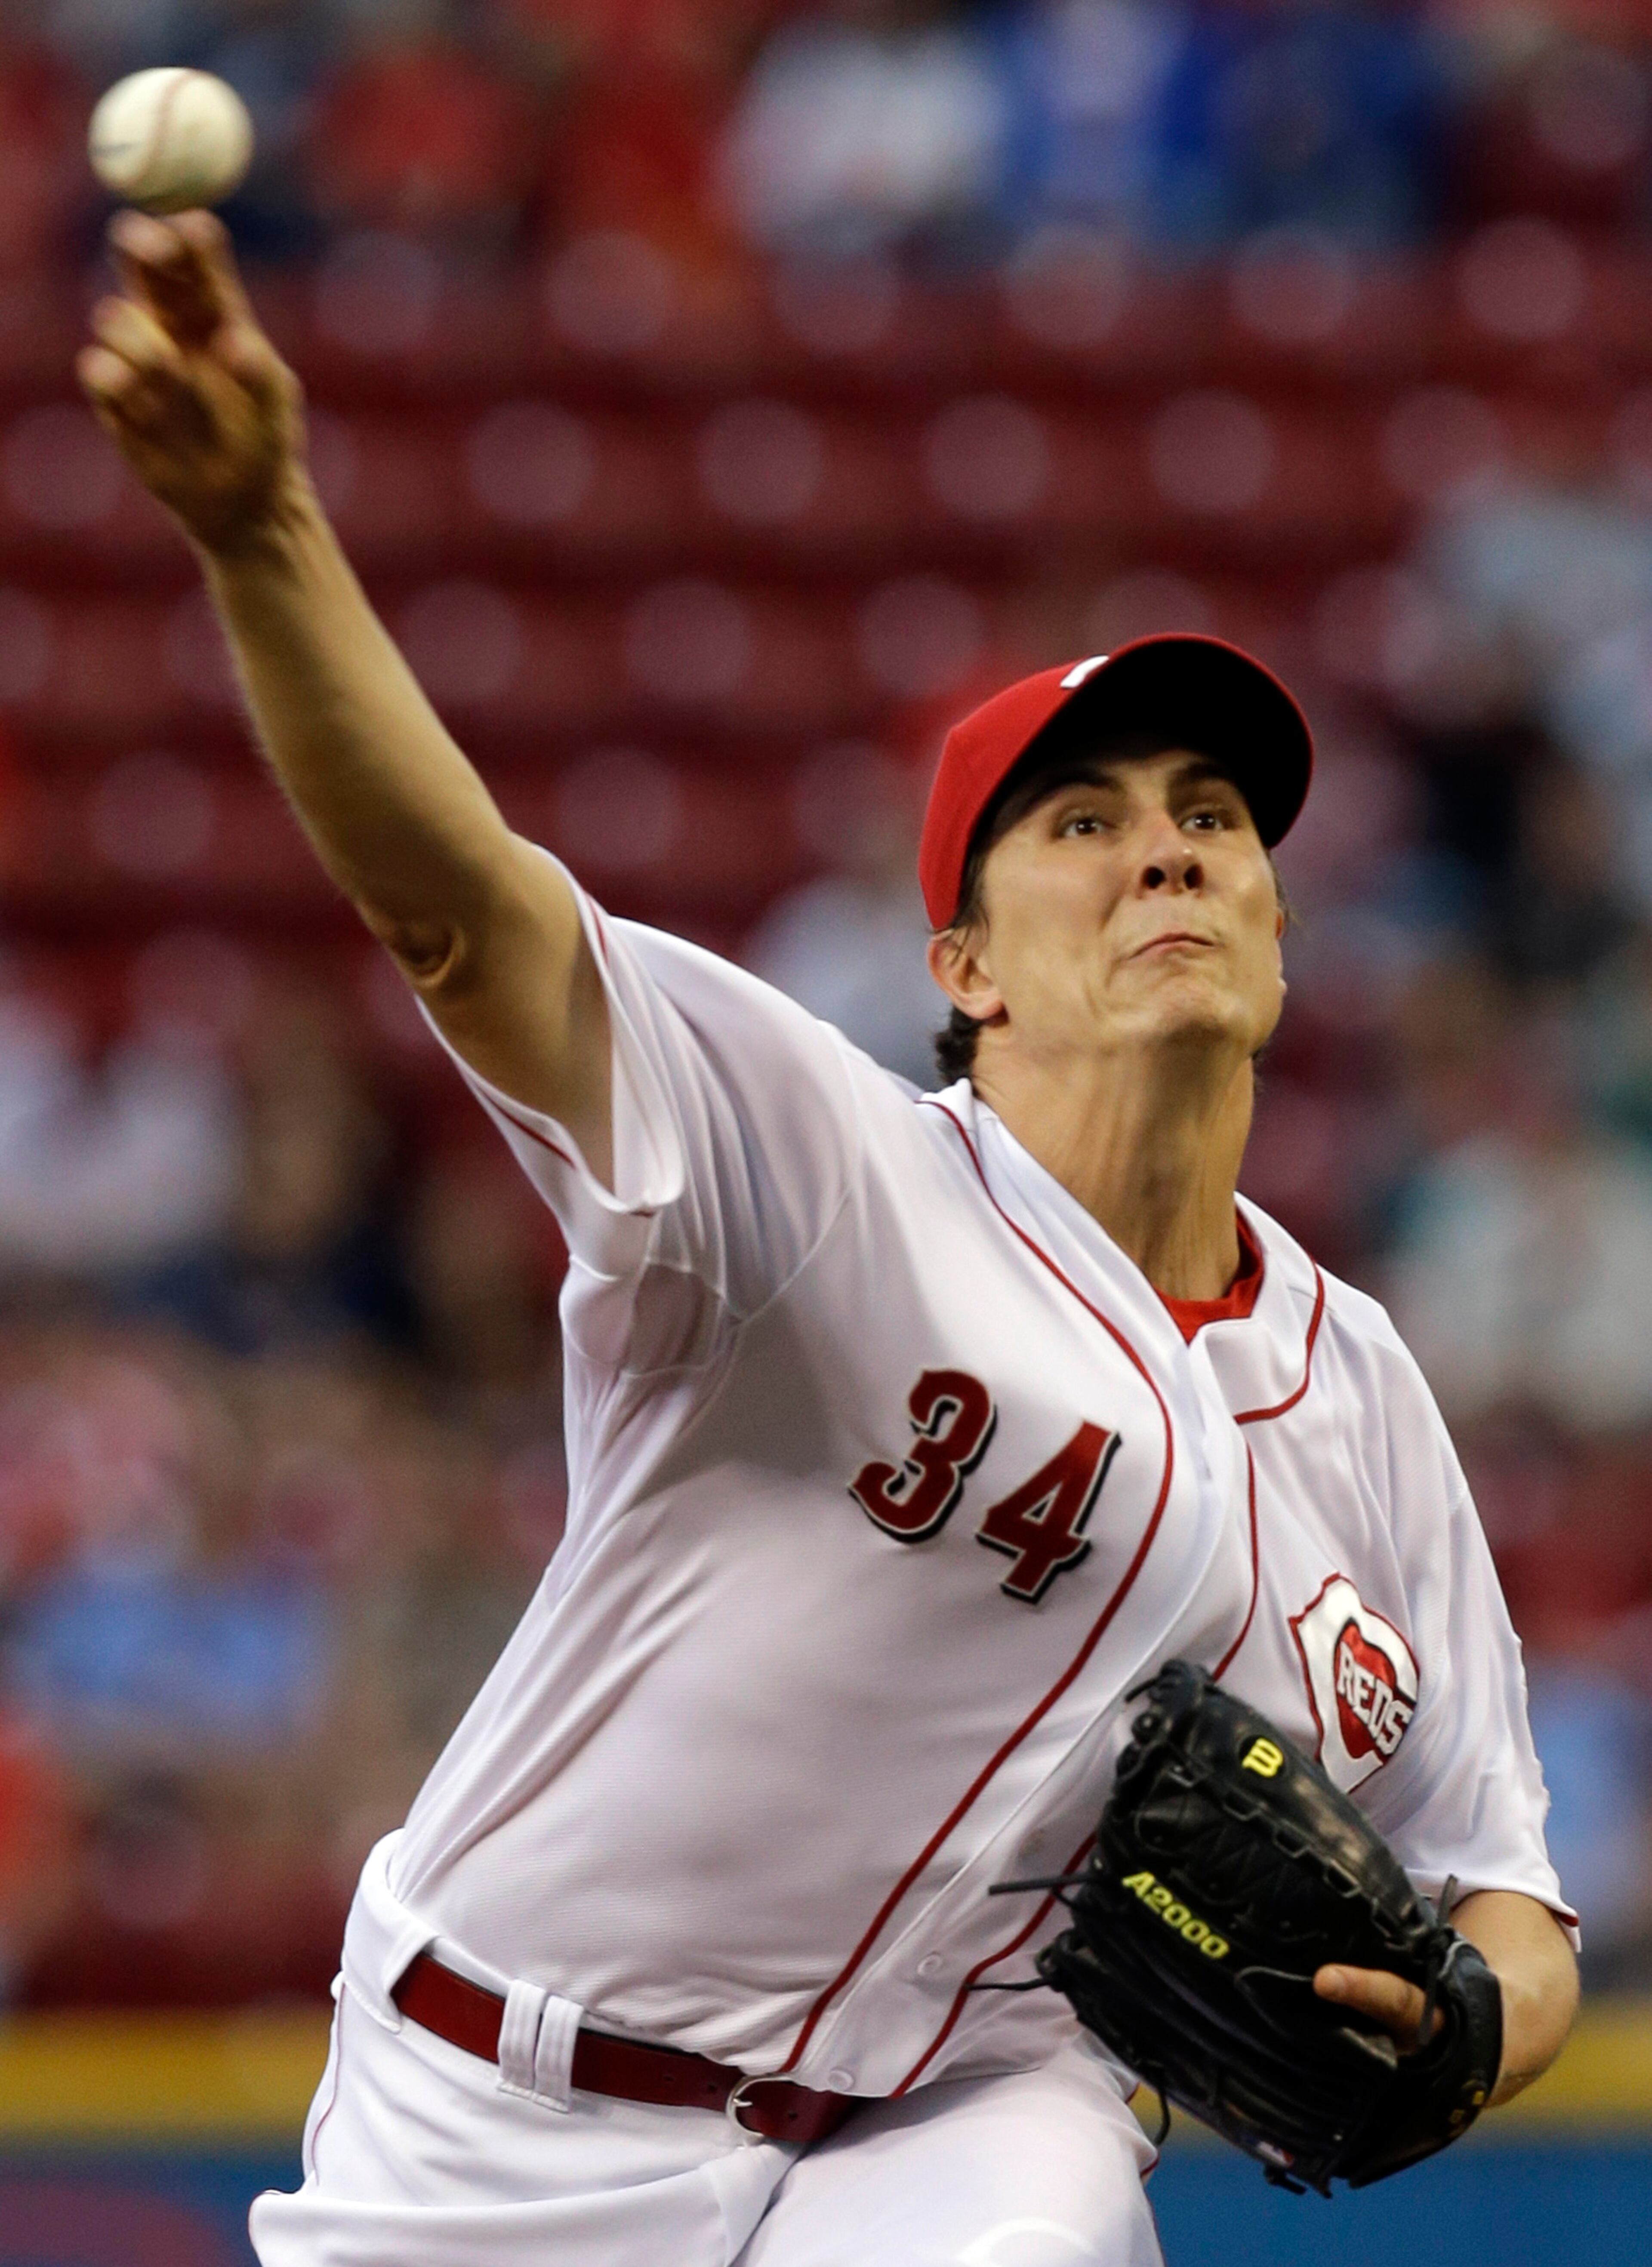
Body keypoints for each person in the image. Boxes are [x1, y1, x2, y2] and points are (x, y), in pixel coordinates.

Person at [77, 210, 1578, 2267]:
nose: (1167, 842)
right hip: (506, 2107)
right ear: (959, 960)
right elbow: (468, 914)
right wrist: (265, 540)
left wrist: (1479, 2024)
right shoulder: (828, 1170)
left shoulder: (1366, 1392)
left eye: (1215, 817)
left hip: (951, 2115)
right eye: (1081, 819)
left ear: (1282, 928)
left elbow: (1503, 1883)